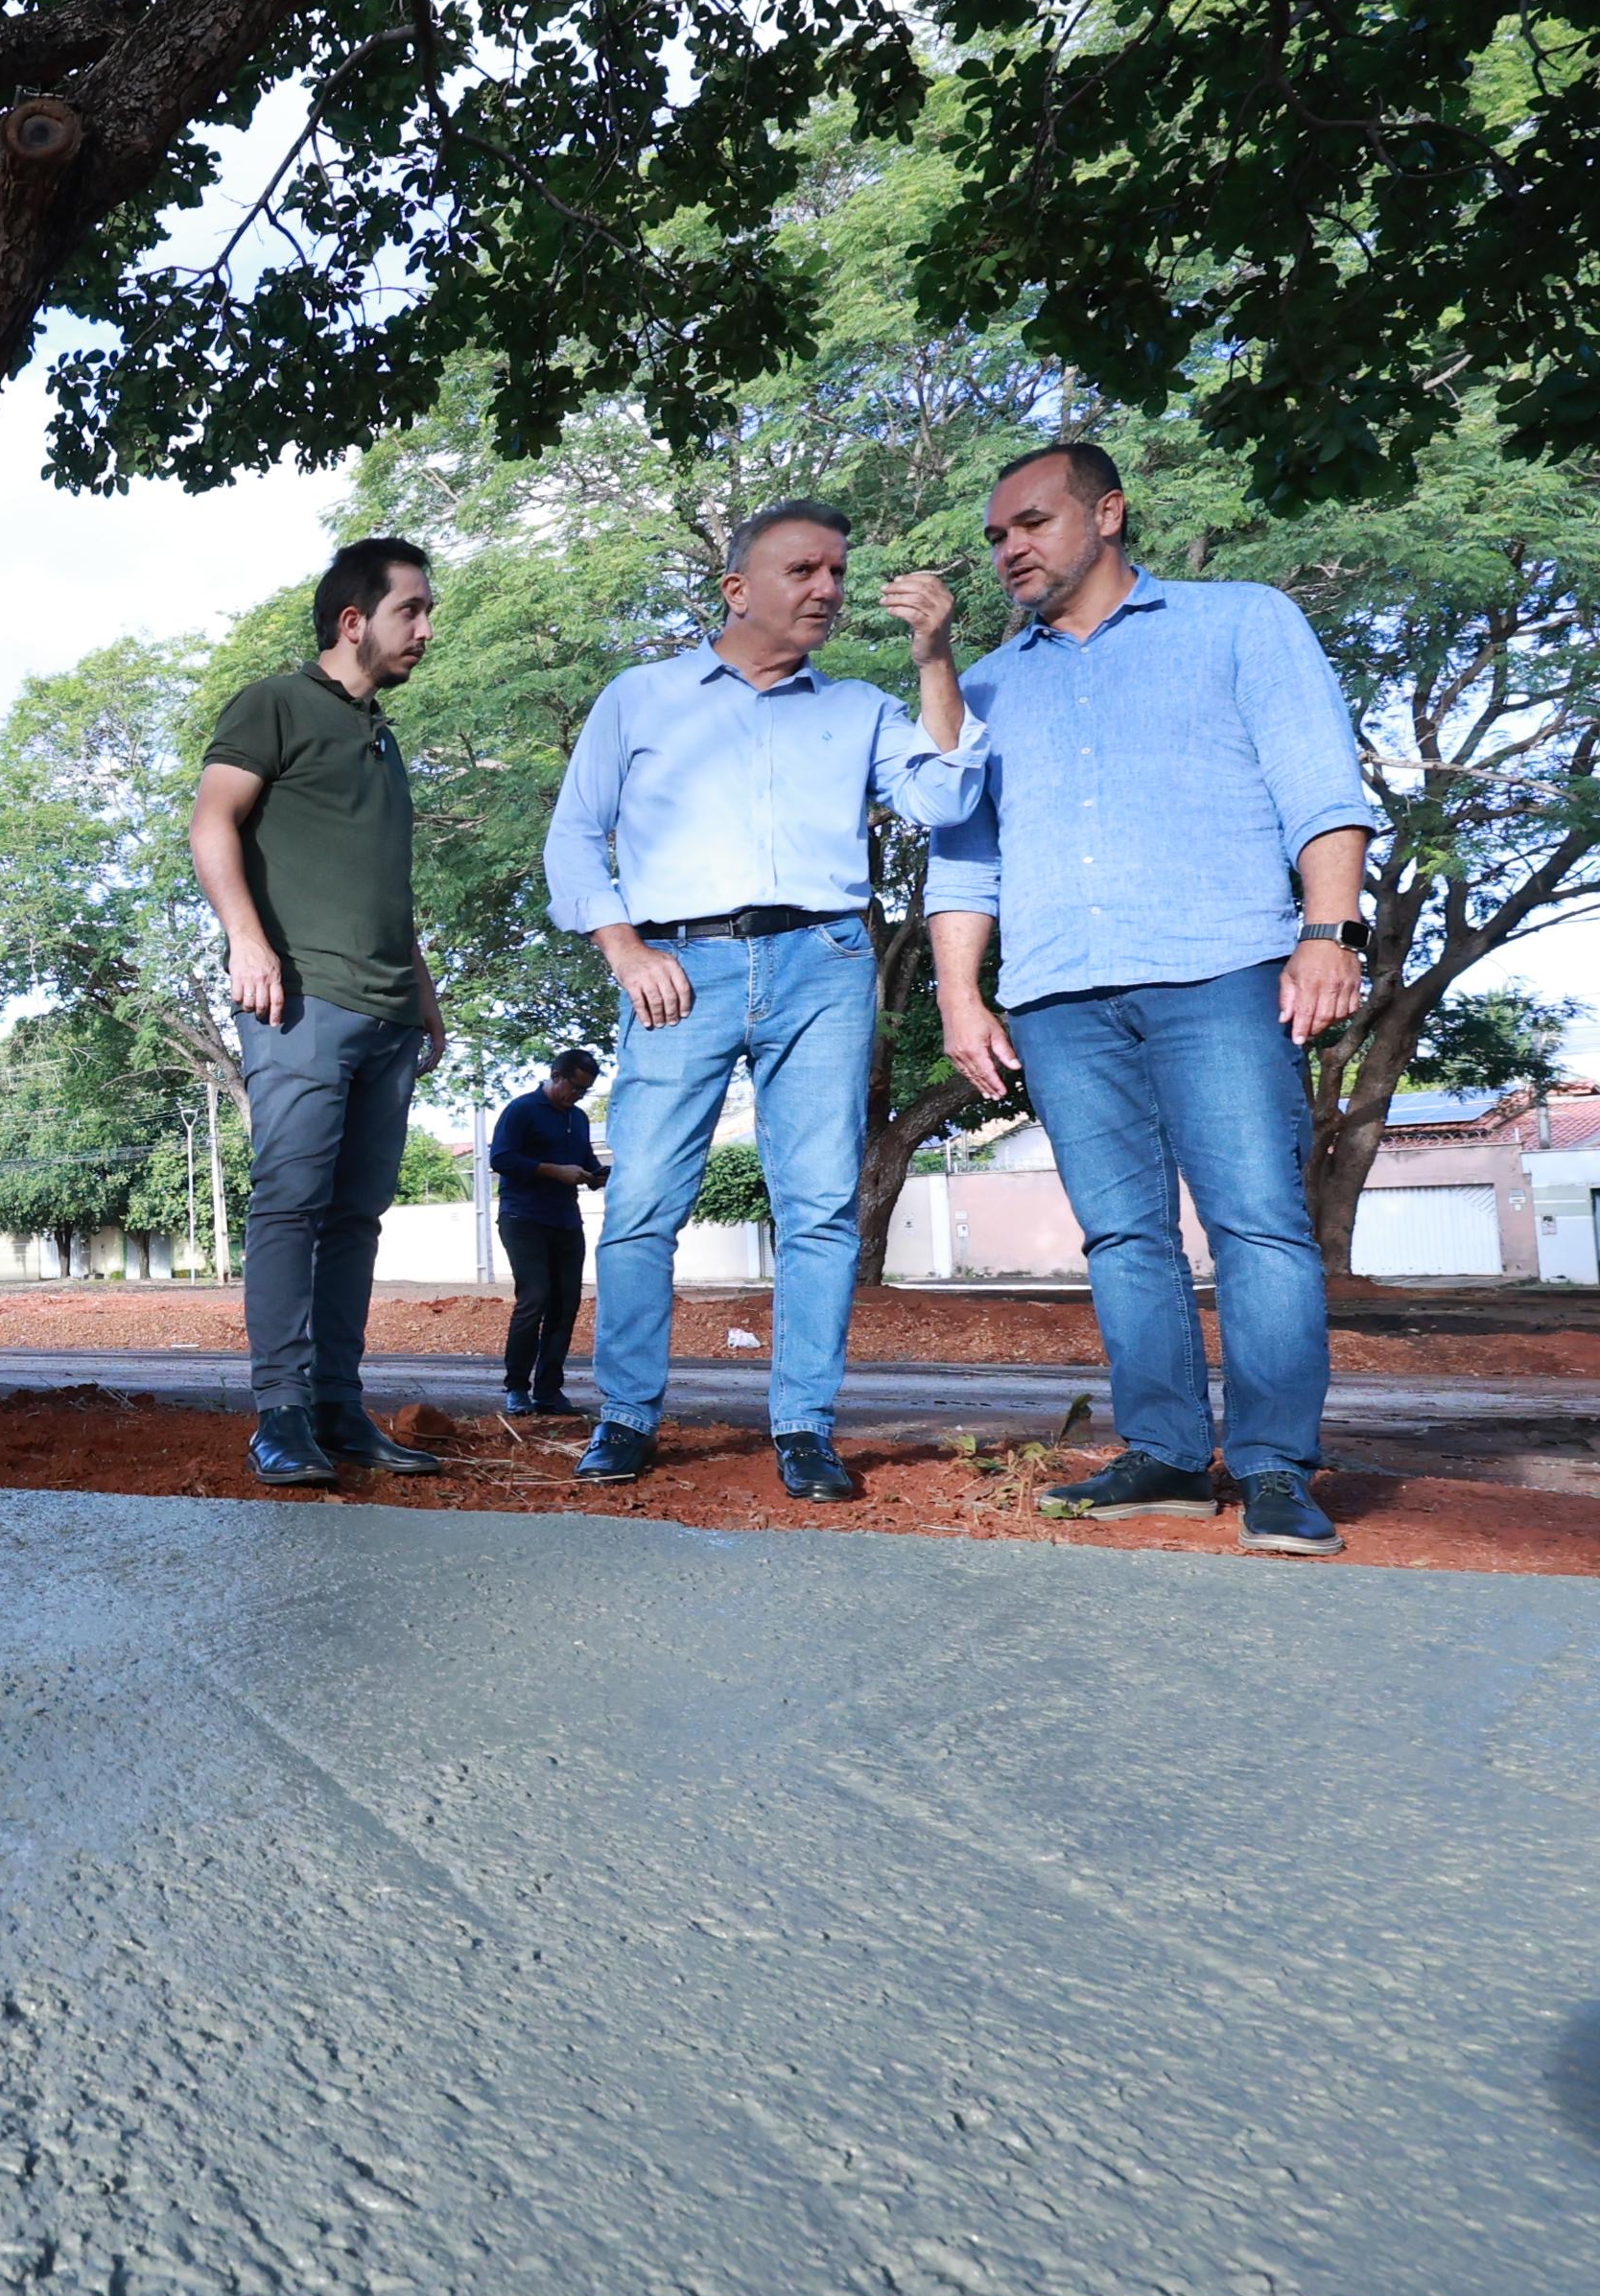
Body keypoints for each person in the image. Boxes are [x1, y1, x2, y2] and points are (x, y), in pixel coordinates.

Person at [929, 443, 1378, 1558]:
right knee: (1123, 1235)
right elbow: (965, 859)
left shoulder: (1242, 621)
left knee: (1257, 1222)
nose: (1009, 549)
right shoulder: (984, 688)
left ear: (1109, 513)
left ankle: (1275, 1468)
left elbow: (1320, 784)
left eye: (1031, 522)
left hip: (1220, 969)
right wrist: (959, 997)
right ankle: (1169, 1456)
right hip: (1058, 994)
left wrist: (1329, 933)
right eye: (996, 536)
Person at [545, 501, 981, 1499]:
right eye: (803, 570)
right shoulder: (641, 697)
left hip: (824, 959)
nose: (828, 589)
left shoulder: (860, 707)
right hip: (677, 965)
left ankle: (805, 1426)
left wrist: (933, 658)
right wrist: (623, 946)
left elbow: (947, 797)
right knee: (644, 1201)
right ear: (737, 588)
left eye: (838, 571)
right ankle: (624, 1415)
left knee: (820, 1206)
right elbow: (572, 836)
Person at [189, 537, 454, 1488]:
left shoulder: (383, 738)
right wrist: (246, 940)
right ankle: (282, 1415)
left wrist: (424, 998)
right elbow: (212, 820)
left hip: (388, 1014)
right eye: (411, 610)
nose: (426, 629)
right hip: (301, 1000)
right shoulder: (275, 703)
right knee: (291, 1206)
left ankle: (339, 1408)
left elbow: (383, 885)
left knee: (356, 1219)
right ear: (353, 621)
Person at [486, 1050, 605, 1417]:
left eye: (584, 1091)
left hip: (566, 1220)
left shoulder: (578, 1118)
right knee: (534, 1298)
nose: (577, 1096)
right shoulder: (522, 1110)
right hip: (523, 1218)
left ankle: (549, 1391)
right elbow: (501, 1158)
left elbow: (586, 1162)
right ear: (556, 1076)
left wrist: (599, 1175)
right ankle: (516, 1388)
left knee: (565, 1305)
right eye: (574, 1087)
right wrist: (553, 1170)